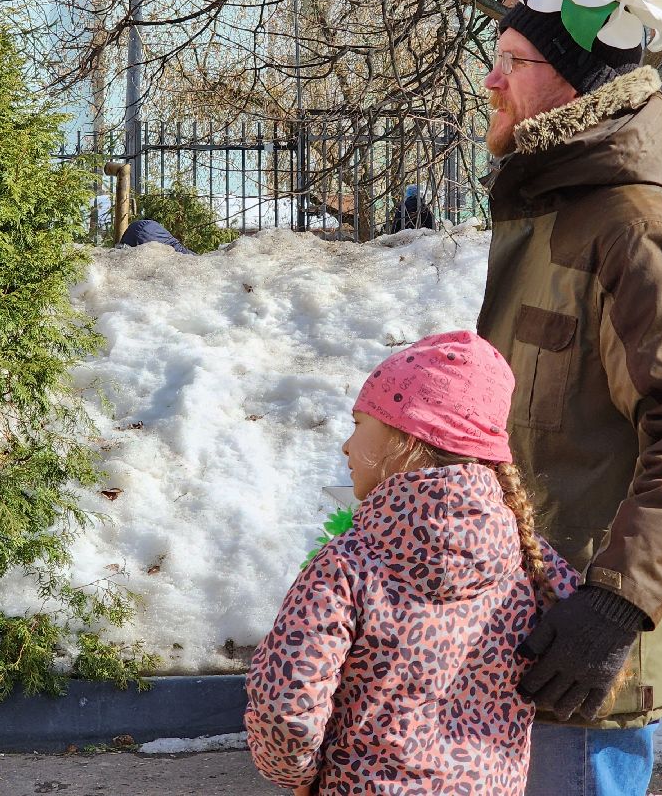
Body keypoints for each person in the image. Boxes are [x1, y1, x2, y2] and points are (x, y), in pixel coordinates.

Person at [476, 0, 662, 795]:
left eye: (513, 61)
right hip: (537, 618)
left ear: (577, 78)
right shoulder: (562, 205)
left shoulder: (633, 225)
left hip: (588, 642)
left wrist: (614, 606)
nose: (493, 81)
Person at [245, 330, 583, 795]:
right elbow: (582, 651)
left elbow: (286, 702)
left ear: (406, 438)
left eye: (360, 423)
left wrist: (297, 778)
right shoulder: (531, 560)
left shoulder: (347, 566)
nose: (346, 446)